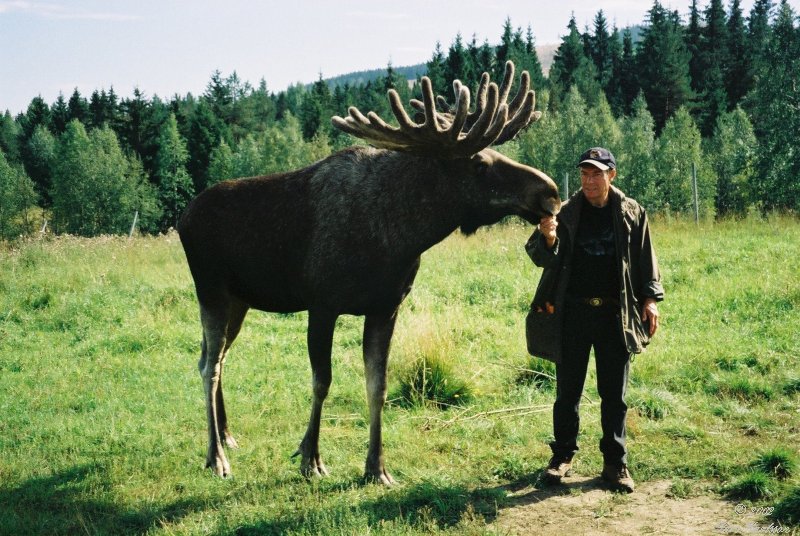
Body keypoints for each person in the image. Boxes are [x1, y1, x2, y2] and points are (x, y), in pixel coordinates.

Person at [525, 147, 664, 493]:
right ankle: (561, 458)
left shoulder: (631, 212)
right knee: (567, 392)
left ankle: (615, 464)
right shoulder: (566, 213)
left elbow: (646, 259)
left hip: (615, 316)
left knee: (614, 394)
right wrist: (549, 236)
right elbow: (538, 255)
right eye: (585, 174)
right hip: (572, 314)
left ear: (611, 175)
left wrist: (650, 301)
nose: (589, 180)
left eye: (597, 174)